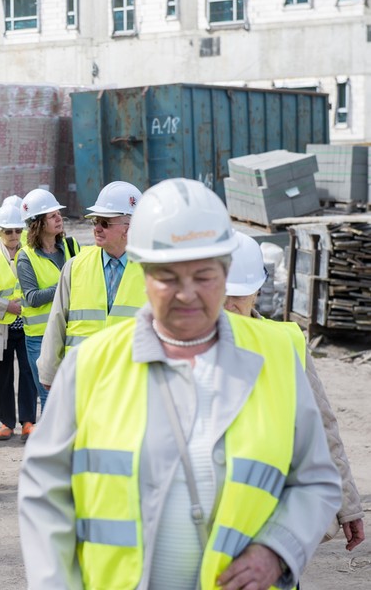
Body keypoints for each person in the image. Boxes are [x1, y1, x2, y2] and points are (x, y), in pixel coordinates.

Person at [19, 178, 341, 589]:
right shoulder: (91, 365)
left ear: (225, 272)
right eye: (168, 277)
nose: (186, 294)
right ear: (144, 272)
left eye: (203, 276)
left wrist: (277, 550)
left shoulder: (275, 358)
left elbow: (316, 480)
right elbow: (44, 491)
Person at [225, 231, 365, 552]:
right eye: (222, 294)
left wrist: (348, 504)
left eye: (239, 295)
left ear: (257, 292)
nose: (230, 306)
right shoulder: (185, 348)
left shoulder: (286, 342)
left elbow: (322, 426)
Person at [38, 181, 146, 389]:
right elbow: (57, 321)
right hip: (82, 379)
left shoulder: (152, 270)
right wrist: (49, 373)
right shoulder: (75, 266)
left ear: (129, 227)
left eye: (105, 223)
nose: (97, 228)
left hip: (132, 383)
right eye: (95, 221)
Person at [16, 188, 80, 415]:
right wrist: (63, 286)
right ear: (38, 223)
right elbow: (32, 297)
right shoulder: (26, 256)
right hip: (40, 338)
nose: (59, 218)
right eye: (52, 216)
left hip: (71, 332)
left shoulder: (72, 246)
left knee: (73, 395)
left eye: (58, 214)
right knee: (50, 397)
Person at [0, 204, 37, 442]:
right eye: (8, 231)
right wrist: (6, 306)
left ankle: (28, 421)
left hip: (27, 323)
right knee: (1, 375)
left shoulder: (31, 253)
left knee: (29, 372)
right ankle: (6, 422)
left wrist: (13, 302)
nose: (14, 235)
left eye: (17, 230)